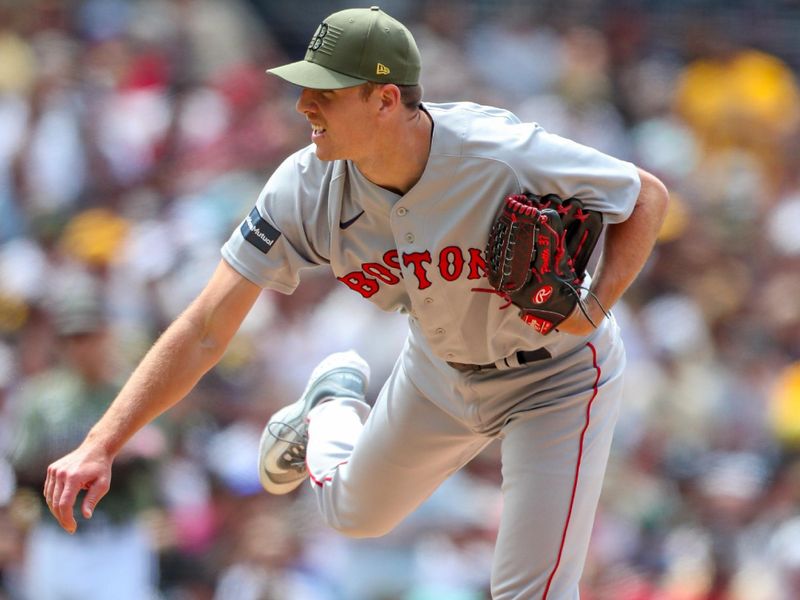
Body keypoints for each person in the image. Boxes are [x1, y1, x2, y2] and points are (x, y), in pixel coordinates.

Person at [44, 7, 669, 598]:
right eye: (304, 88)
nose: (303, 105)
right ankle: (332, 405)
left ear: (385, 99)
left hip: (556, 378)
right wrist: (102, 441)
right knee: (350, 514)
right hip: (442, 369)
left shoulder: (496, 151)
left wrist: (593, 309)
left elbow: (645, 197)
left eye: (326, 92)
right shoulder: (304, 188)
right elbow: (208, 326)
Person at [12, 285, 161, 599]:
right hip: (58, 539)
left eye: (89, 335)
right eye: (72, 338)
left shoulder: (132, 393)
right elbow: (22, 470)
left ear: (107, 334)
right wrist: (93, 463)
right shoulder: (41, 397)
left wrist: (77, 464)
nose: (81, 346)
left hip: (117, 538)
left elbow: (152, 458)